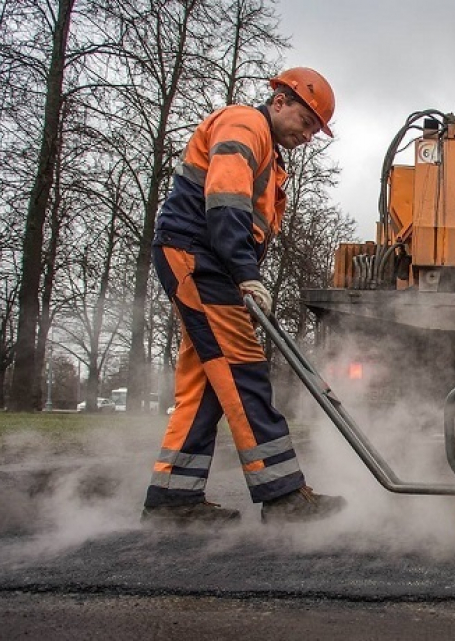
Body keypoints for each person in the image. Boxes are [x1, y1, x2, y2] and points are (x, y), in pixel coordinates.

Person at [141, 67, 346, 525]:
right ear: (280, 102)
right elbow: (226, 203)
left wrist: (240, 276)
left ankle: (172, 502)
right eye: (306, 122)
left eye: (314, 129)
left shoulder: (271, 158)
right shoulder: (244, 124)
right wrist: (245, 273)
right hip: (199, 258)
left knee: (206, 385)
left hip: (207, 263)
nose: (307, 135)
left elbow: (245, 220)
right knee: (244, 370)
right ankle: (283, 496)